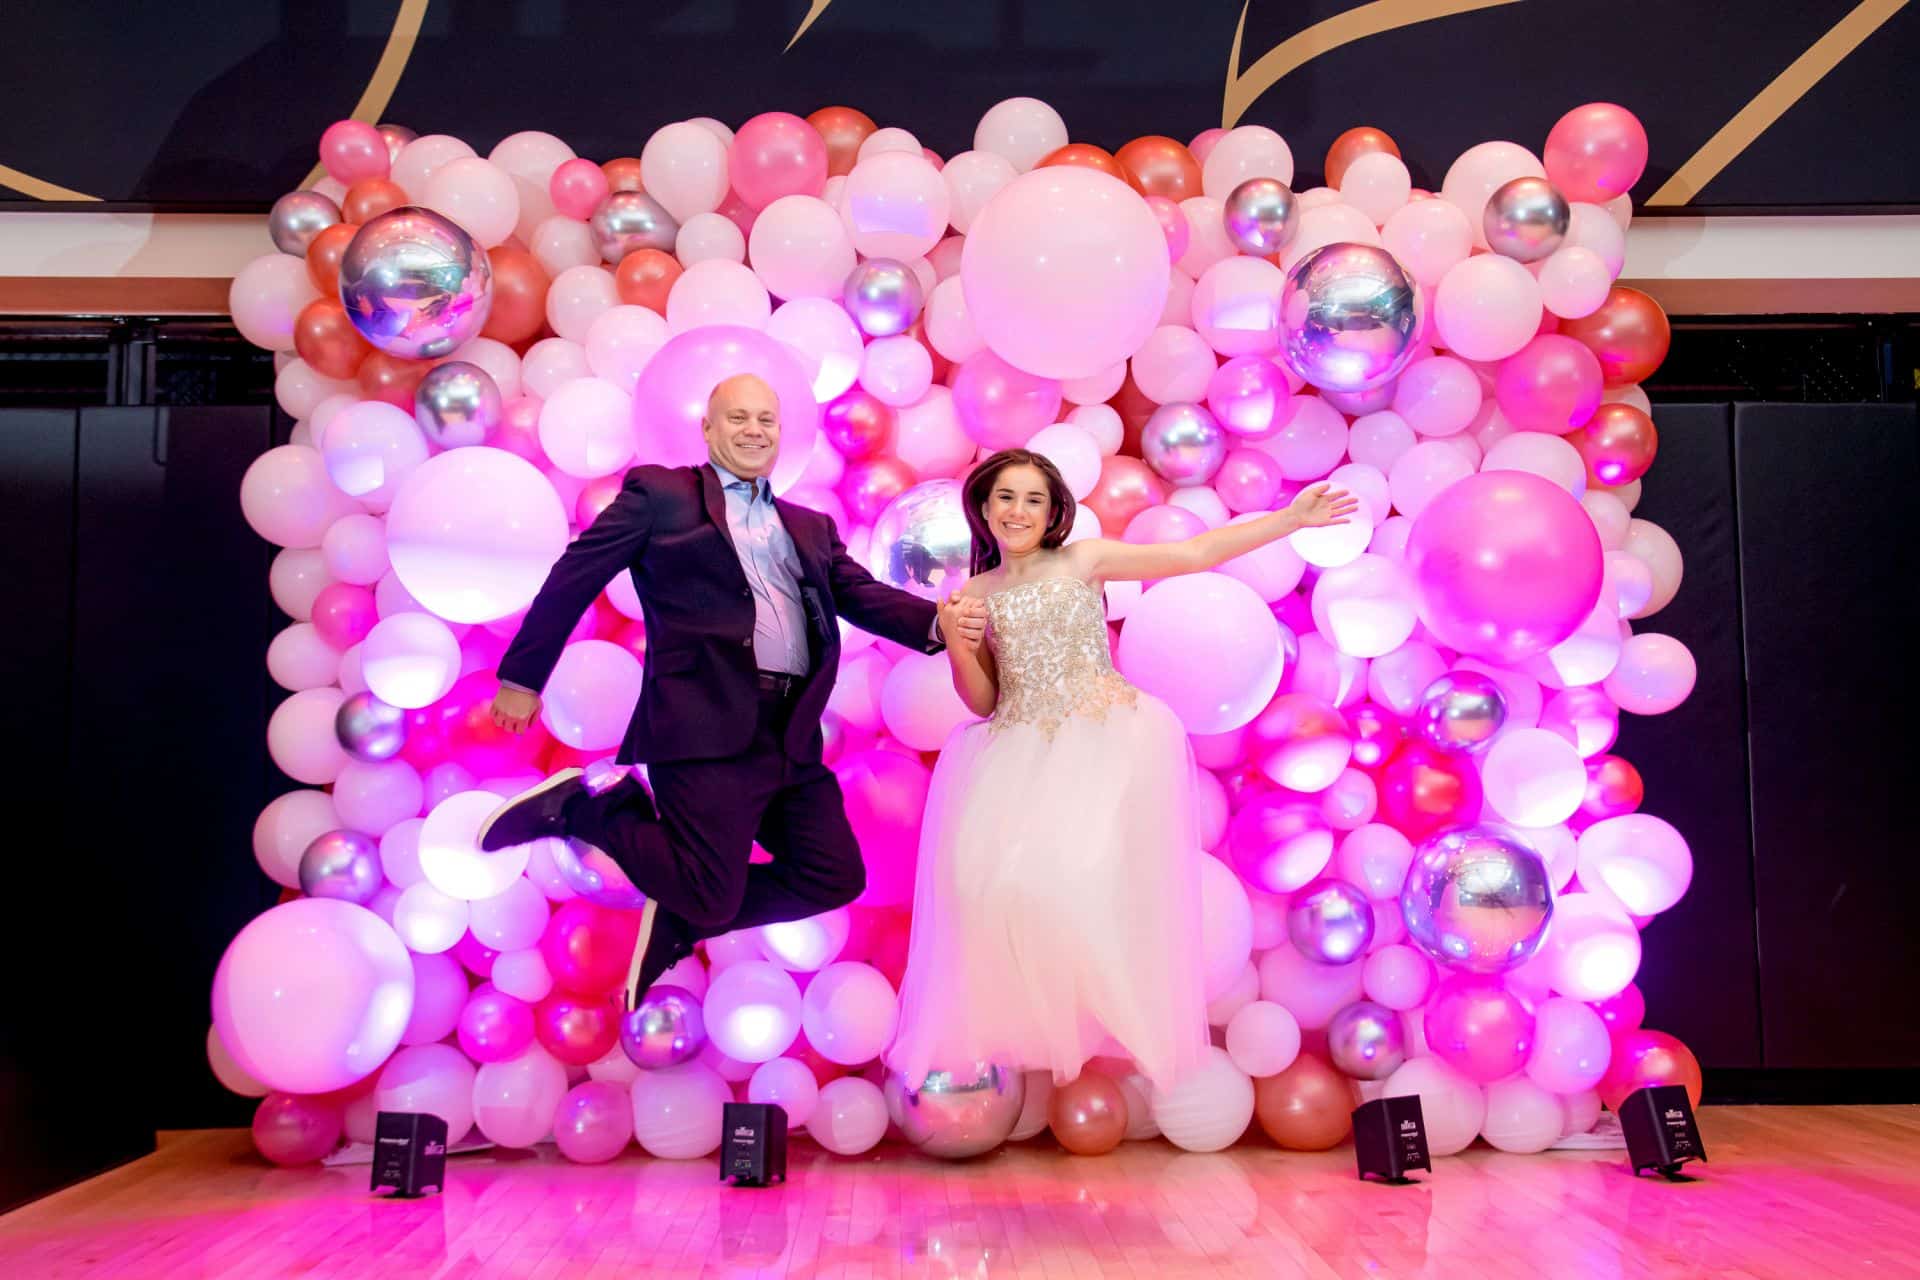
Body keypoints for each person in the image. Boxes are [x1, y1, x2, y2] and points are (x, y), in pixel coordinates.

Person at [477, 374, 979, 1009]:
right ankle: (585, 808)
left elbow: (866, 598)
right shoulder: (661, 496)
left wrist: (942, 626)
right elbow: (577, 574)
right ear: (708, 429)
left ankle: (684, 917)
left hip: (789, 736)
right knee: (711, 892)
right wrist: (522, 677)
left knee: (832, 875)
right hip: (701, 726)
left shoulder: (812, 528)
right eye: (738, 418)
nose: (753, 430)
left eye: (766, 420)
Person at [887, 448, 1356, 1093]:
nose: (1019, 511)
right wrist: (959, 646)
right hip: (1017, 744)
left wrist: (1290, 520)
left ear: (1053, 512)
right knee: (984, 883)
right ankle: (1041, 1018)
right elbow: (984, 699)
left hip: (1102, 735)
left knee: (1079, 872)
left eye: (1033, 499)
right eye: (1006, 498)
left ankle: (1112, 1012)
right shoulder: (972, 594)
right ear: (984, 509)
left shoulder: (1083, 560)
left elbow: (1194, 554)